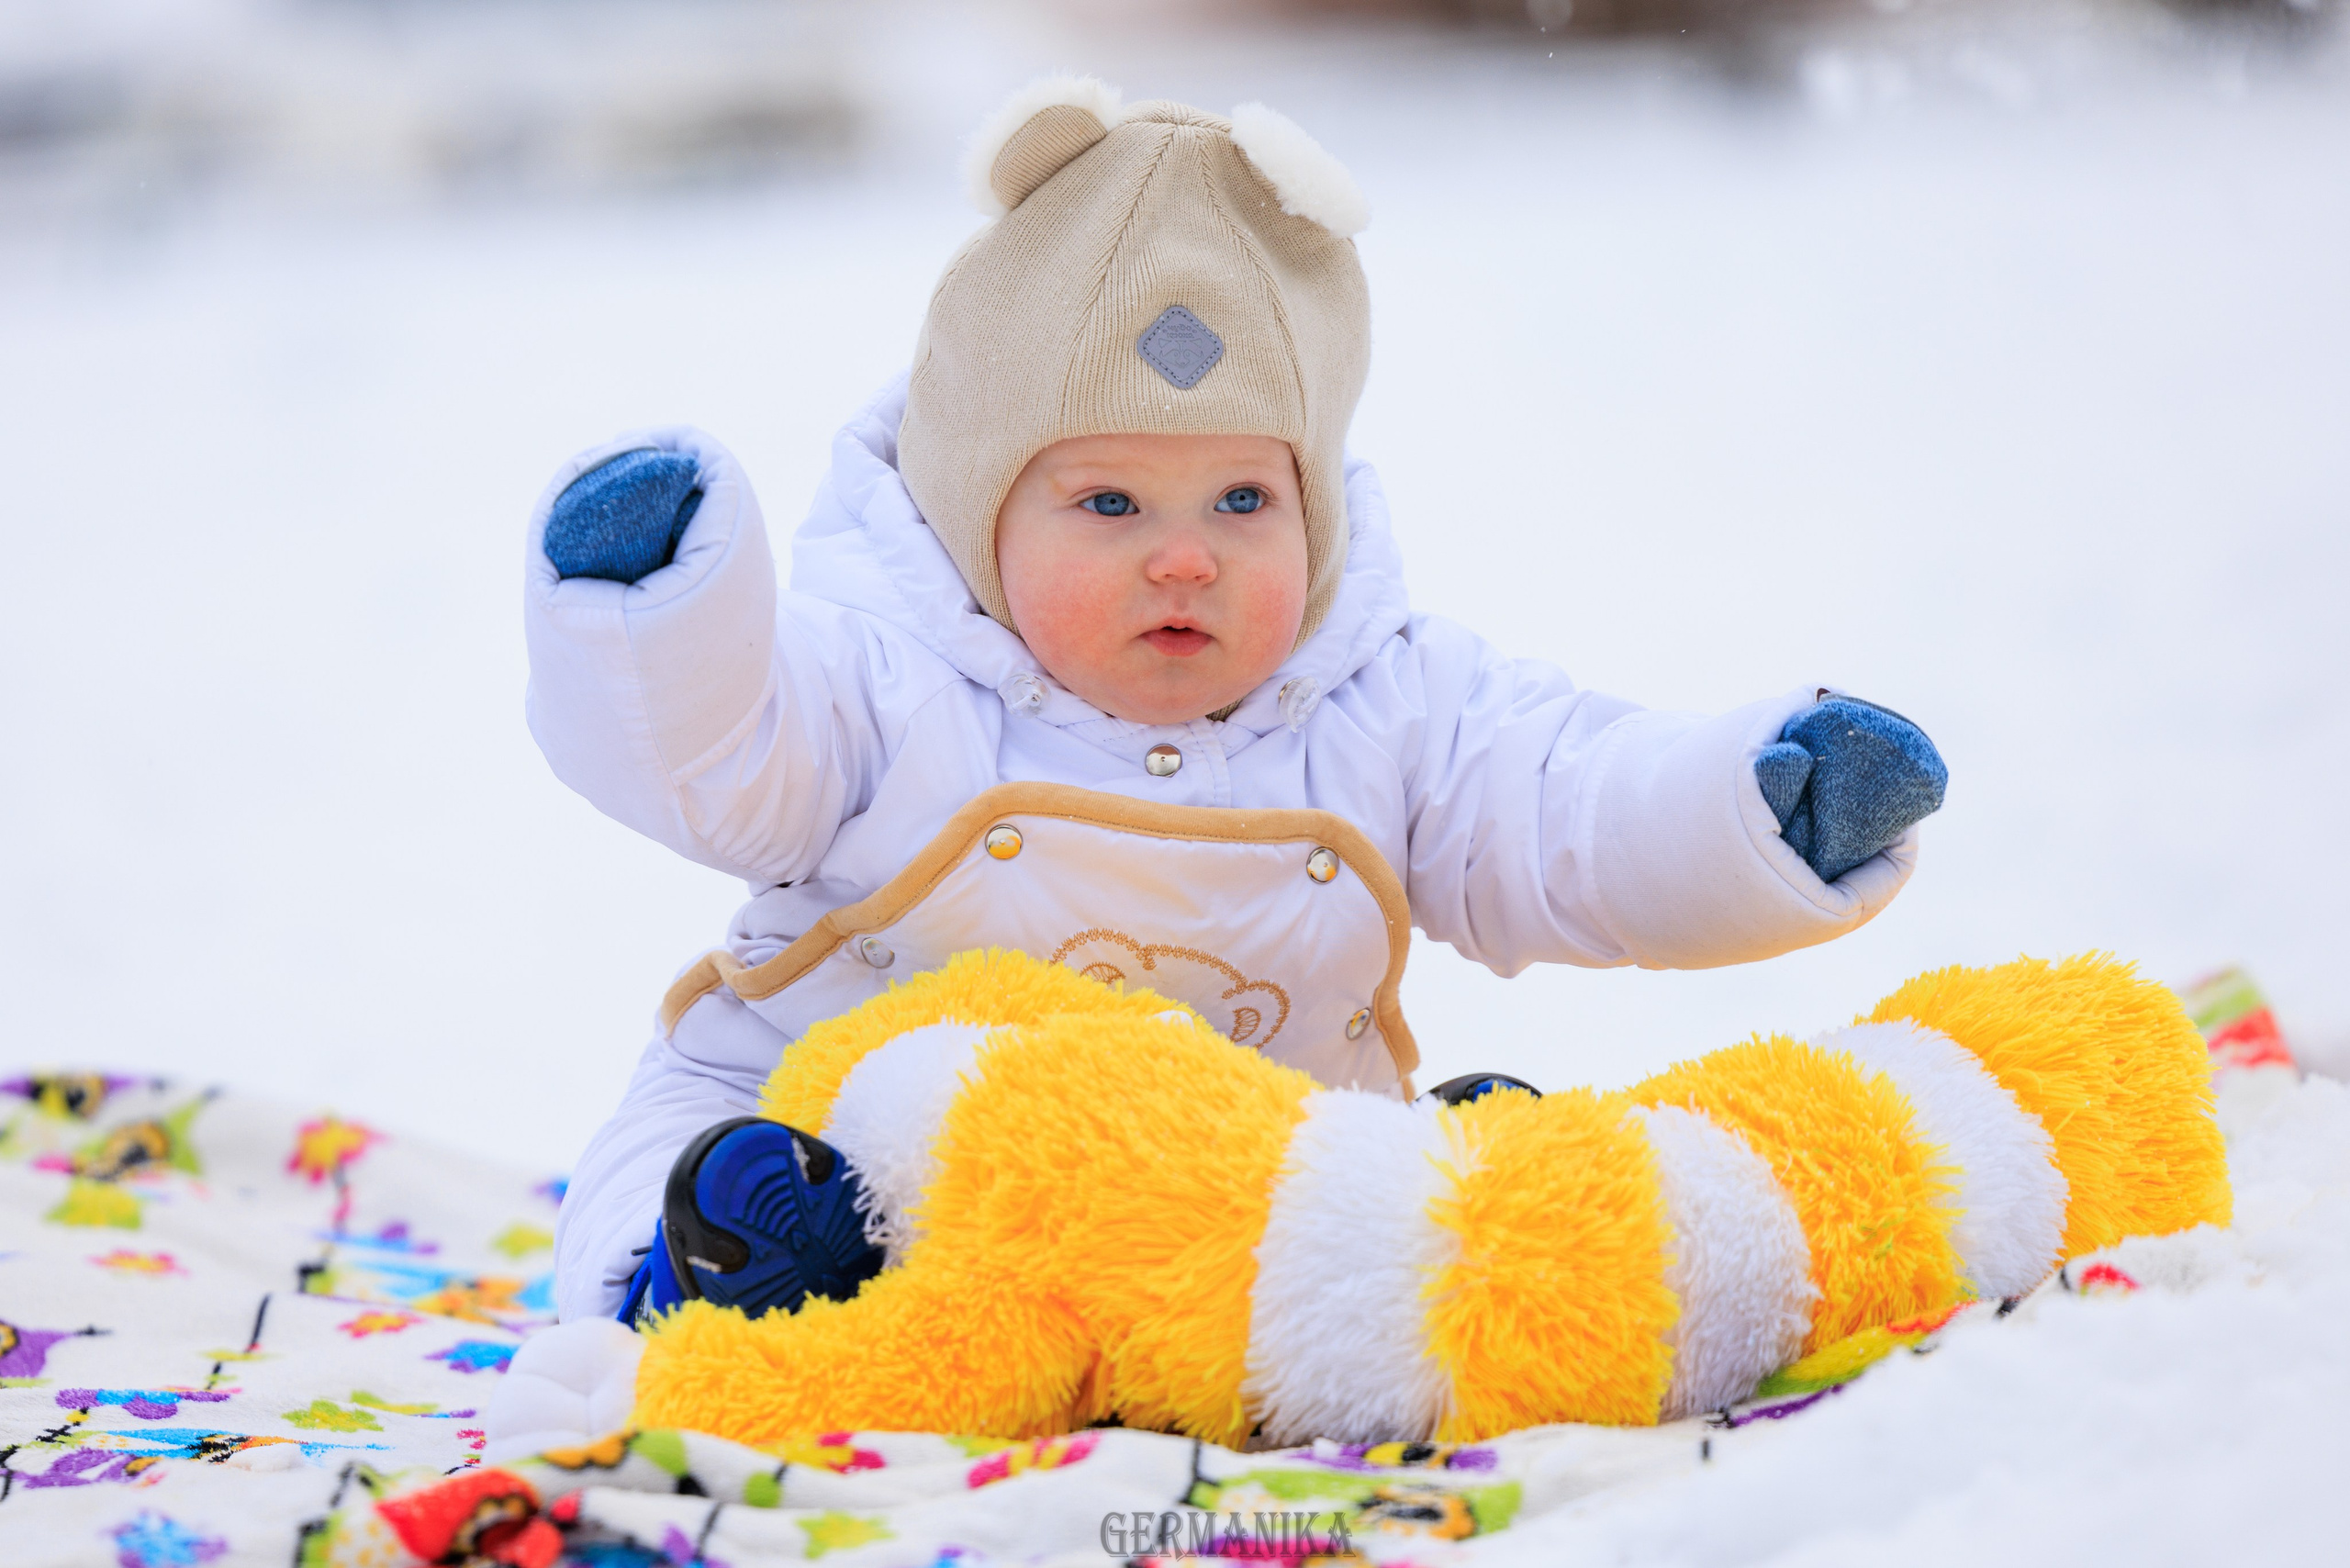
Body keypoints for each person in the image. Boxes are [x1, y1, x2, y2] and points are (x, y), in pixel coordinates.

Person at [522, 81, 1947, 1327]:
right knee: (682, 1160)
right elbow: (716, 747)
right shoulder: (882, 681)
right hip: (839, 1147)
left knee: (1374, 1213)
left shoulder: (1384, 699)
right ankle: (706, 1275)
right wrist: (658, 614)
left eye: (1245, 498)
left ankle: (1450, 1239)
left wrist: (1756, 817)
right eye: (1111, 501)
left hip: (1243, 1203)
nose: (1186, 551)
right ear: (975, 516)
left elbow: (1567, 810)